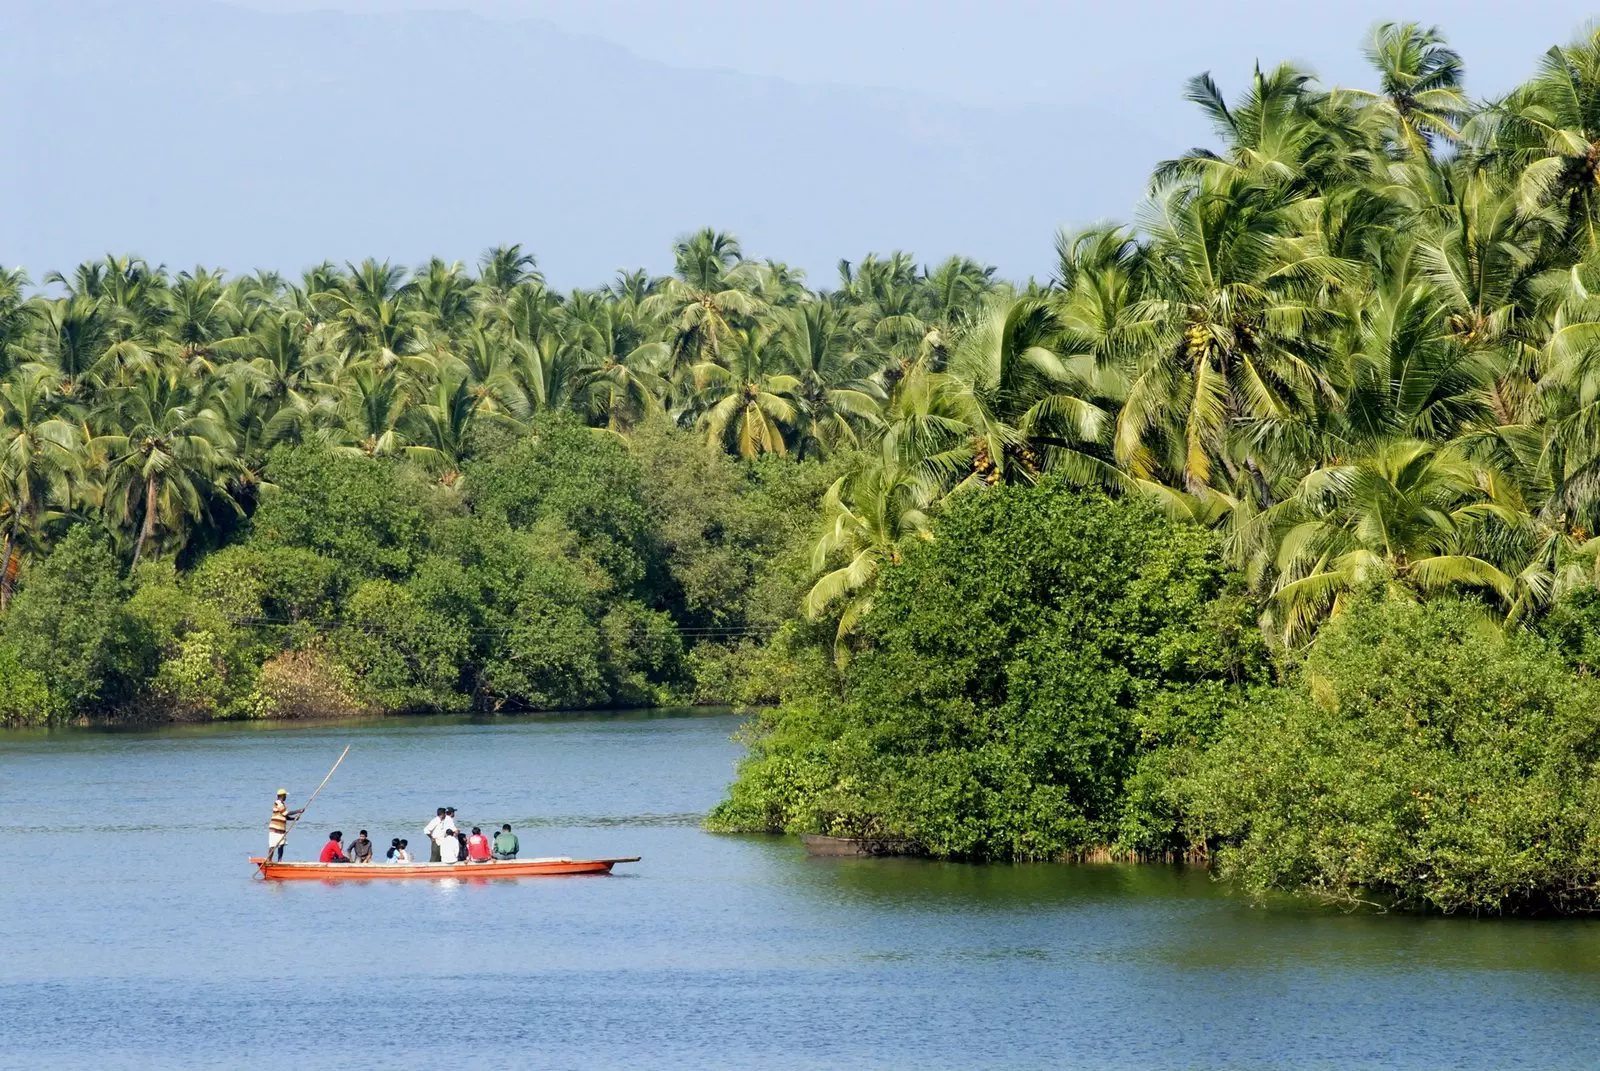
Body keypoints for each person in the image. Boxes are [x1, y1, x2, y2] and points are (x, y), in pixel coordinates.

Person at [267, 789, 304, 863]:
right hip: (275, 829)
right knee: (272, 846)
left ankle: (279, 861)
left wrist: (294, 819)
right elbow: (286, 813)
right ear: (282, 796)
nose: (286, 797)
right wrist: (298, 810)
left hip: (281, 830)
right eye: (285, 795)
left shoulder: (282, 804)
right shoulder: (278, 803)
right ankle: (269, 861)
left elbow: (285, 816)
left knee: (281, 845)